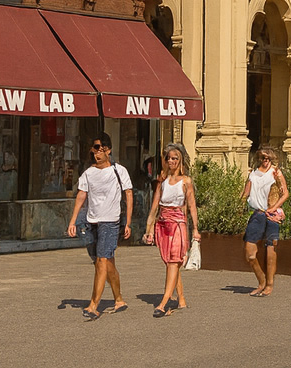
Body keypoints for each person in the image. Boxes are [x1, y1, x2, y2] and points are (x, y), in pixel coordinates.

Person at [67, 132, 133, 319]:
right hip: (91, 222)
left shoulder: (119, 171)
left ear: (108, 150)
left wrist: (127, 222)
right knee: (106, 262)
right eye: (94, 149)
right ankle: (119, 299)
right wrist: (72, 221)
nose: (96, 153)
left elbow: (128, 195)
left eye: (100, 149)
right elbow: (81, 195)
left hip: (110, 222)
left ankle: (93, 305)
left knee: (101, 261)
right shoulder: (89, 173)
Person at [142, 143, 200, 316]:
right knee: (170, 263)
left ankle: (163, 302)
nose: (172, 161)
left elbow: (192, 206)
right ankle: (181, 299)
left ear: (181, 160)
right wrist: (149, 229)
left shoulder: (186, 181)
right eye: (169, 158)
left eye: (175, 158)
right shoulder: (162, 181)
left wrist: (195, 229)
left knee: (175, 261)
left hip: (178, 224)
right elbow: (154, 207)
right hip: (163, 223)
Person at [240, 146, 288, 296]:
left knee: (270, 247)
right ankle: (261, 279)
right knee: (250, 253)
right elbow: (245, 193)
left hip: (271, 214)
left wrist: (275, 207)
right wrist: (237, 206)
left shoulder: (276, 173)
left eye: (268, 158)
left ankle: (270, 284)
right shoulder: (253, 174)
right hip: (257, 213)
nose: (265, 161)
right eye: (262, 158)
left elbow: (285, 193)